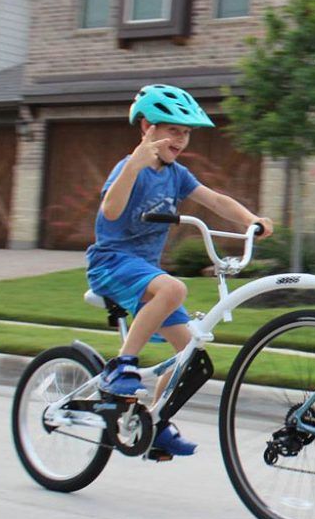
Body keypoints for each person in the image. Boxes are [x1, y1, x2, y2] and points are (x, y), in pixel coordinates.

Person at [86, 84, 273, 457]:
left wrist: (251, 219)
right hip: (111, 264)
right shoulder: (130, 167)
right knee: (173, 288)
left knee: (189, 356)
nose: (181, 139)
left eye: (186, 133)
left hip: (145, 272)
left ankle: (154, 423)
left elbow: (214, 199)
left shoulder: (177, 174)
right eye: (173, 129)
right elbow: (110, 210)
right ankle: (120, 366)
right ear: (147, 128)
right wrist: (135, 164)